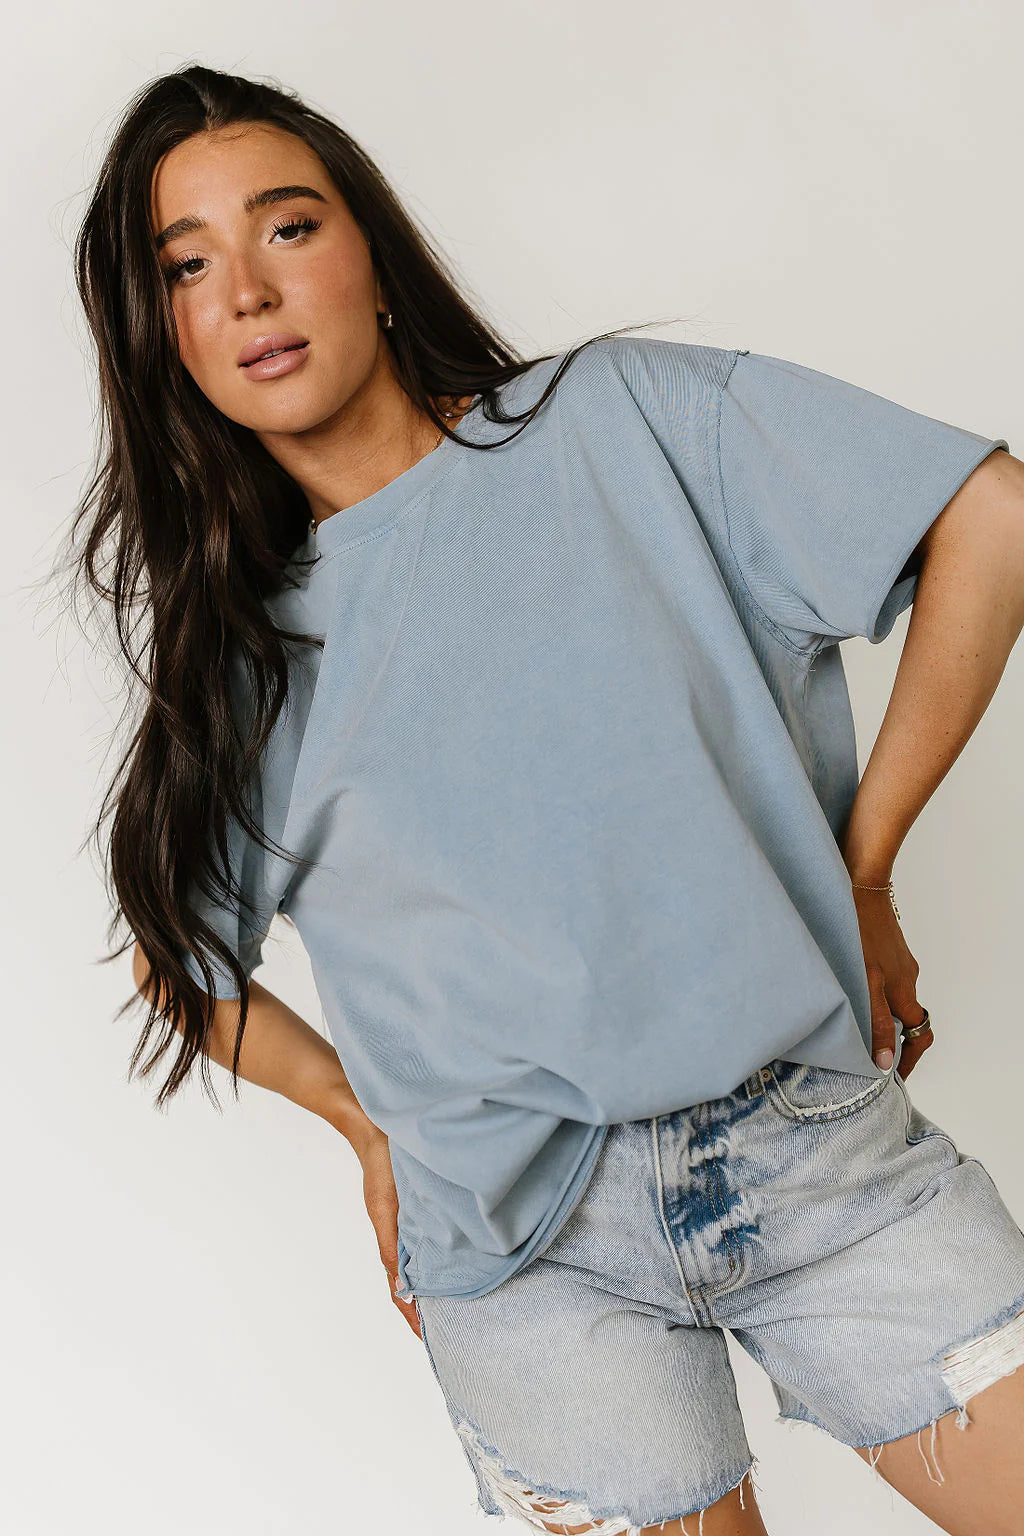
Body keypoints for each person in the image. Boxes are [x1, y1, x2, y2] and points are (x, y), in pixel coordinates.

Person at [68, 62, 1024, 1536]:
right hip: (529, 1266)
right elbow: (177, 959)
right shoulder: (246, 658)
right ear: (163, 335)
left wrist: (865, 865)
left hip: (814, 1157)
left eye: (288, 228)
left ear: (372, 253)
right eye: (186, 266)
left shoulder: (620, 421)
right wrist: (362, 1123)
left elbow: (991, 514)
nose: (248, 291)